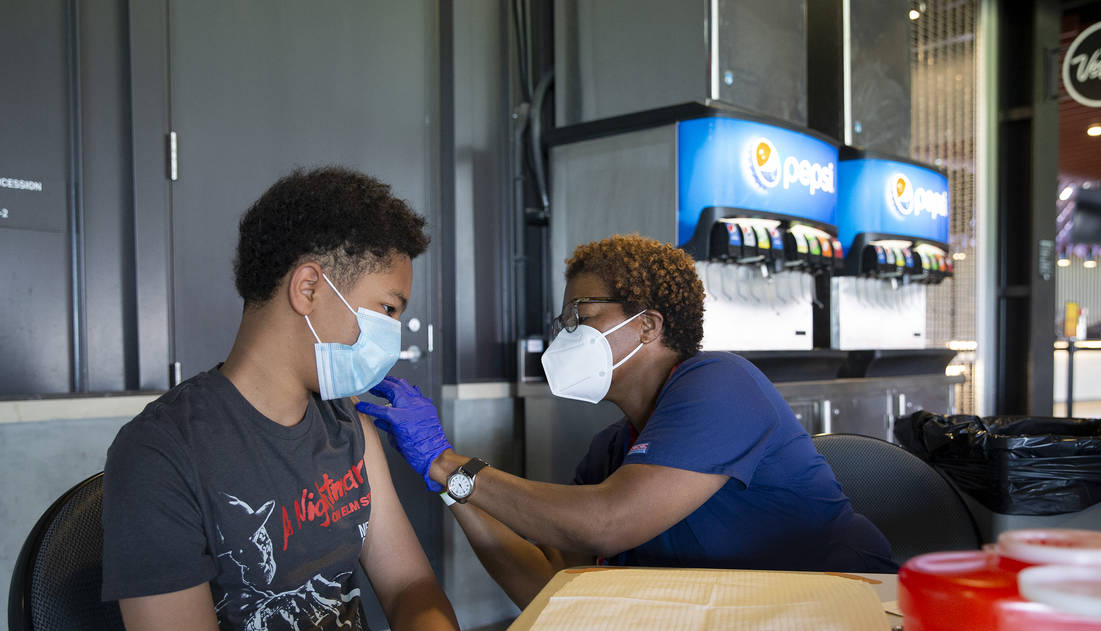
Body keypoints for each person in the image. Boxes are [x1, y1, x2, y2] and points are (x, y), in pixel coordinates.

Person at [101, 167, 469, 631]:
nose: (395, 337)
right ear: (307, 287)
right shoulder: (162, 453)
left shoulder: (349, 428)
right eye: (387, 310)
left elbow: (409, 586)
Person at [359, 234, 897, 610]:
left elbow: (608, 522)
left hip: (842, 609)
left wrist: (452, 462)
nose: (565, 334)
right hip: (736, 628)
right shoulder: (612, 451)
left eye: (583, 317)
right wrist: (447, 481)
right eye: (563, 320)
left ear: (648, 326)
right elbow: (548, 587)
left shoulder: (722, 383)